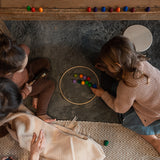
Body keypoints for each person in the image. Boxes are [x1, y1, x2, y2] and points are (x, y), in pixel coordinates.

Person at [91, 35, 160, 154]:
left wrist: (103, 94)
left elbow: (120, 108)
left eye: (108, 65)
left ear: (117, 66)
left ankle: (154, 140)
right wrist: (107, 69)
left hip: (153, 115)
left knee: (127, 119)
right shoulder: (140, 60)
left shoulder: (127, 85)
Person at [0, 33, 55, 122]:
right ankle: (41, 113)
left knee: (45, 63)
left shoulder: (8, 57)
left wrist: (23, 52)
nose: (26, 57)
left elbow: (25, 49)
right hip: (26, 86)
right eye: (22, 66)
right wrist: (25, 92)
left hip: (28, 72)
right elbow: (15, 99)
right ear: (12, 72)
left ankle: (37, 93)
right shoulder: (7, 84)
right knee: (50, 85)